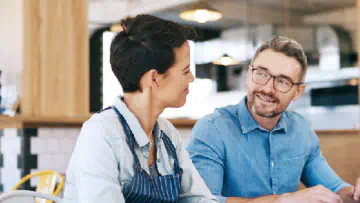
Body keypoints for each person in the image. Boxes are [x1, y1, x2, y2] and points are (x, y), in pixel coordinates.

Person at [63, 14, 218, 203]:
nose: (192, 78)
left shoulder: (168, 134)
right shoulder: (101, 134)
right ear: (154, 78)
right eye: (185, 71)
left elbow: (201, 199)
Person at [187, 36, 360, 203]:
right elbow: (201, 201)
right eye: (262, 74)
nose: (268, 88)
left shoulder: (301, 129)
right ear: (248, 75)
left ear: (298, 92)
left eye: (283, 81)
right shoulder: (212, 129)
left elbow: (336, 189)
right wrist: (284, 200)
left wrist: (355, 194)